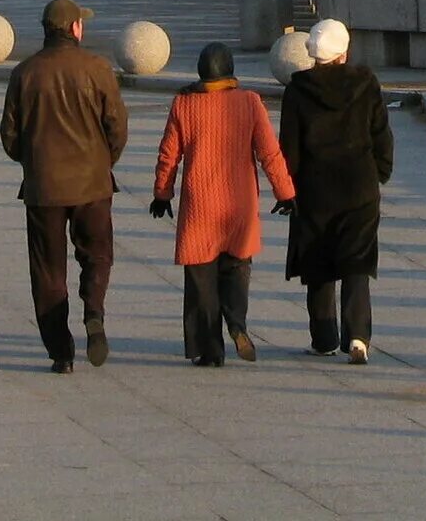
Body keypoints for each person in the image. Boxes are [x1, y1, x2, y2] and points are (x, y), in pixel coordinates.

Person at [0, 0, 128, 373]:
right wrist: (104, 162)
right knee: (97, 254)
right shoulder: (97, 68)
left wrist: (35, 163)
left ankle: (61, 352)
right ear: (75, 28)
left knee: (48, 270)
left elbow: (10, 135)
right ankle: (94, 313)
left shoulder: (24, 73)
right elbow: (117, 127)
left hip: (44, 190)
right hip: (92, 185)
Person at [151, 41, 295, 367]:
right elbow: (269, 153)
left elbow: (168, 156)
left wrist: (162, 194)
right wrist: (285, 193)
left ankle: (209, 350)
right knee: (237, 269)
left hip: (200, 205)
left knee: (201, 280)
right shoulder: (250, 102)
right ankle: (237, 322)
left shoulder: (184, 105)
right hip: (239, 203)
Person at [280, 18, 392, 364]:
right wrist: (380, 172)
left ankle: (324, 337)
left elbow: (289, 145)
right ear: (344, 51)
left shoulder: (298, 89)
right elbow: (381, 132)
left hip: (315, 188)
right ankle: (358, 337)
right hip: (359, 185)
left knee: (318, 260)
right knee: (356, 259)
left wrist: (288, 186)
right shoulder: (365, 83)